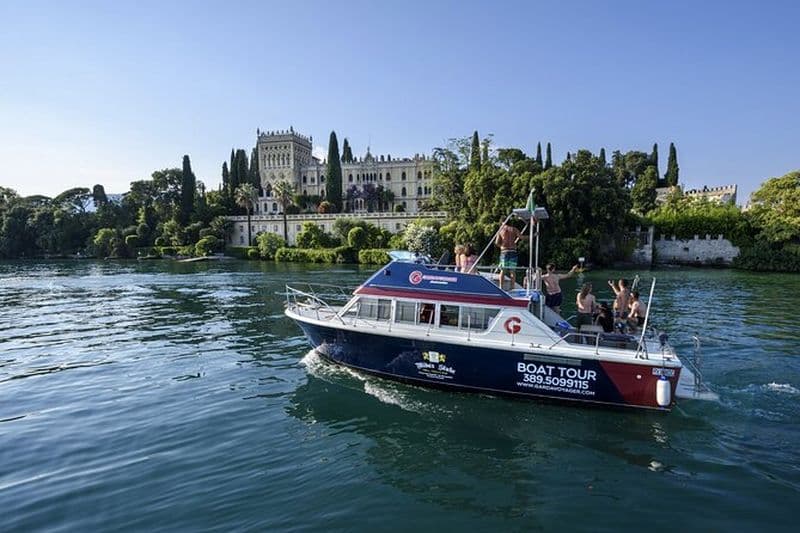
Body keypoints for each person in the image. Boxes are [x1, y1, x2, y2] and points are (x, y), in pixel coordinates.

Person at [495, 220, 521, 289]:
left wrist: (501, 246)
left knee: (503, 270)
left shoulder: (501, 230)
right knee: (512, 271)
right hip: (513, 251)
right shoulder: (514, 229)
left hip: (504, 251)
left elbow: (497, 242)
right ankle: (512, 287)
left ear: (503, 222)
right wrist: (532, 236)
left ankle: (501, 287)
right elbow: (521, 237)